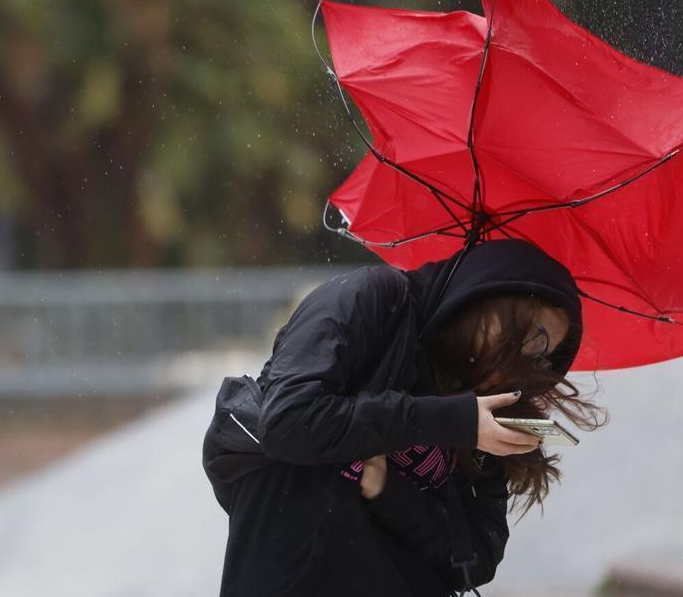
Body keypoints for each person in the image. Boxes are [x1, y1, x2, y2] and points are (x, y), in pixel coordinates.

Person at [202, 238, 606, 596]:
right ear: (490, 294)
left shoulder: (489, 406)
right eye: (534, 335)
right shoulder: (373, 299)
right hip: (294, 569)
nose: (530, 358)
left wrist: (389, 492)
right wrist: (452, 420)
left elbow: (474, 558)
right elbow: (288, 421)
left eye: (544, 356)